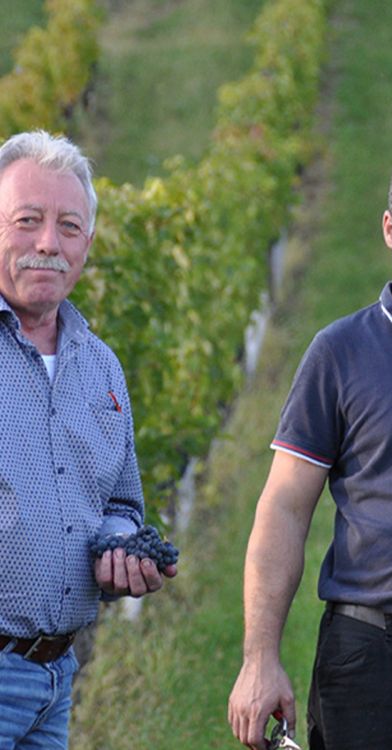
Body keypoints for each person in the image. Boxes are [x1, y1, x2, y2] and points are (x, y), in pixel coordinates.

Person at [228, 144, 392, 750]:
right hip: (376, 664)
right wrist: (259, 659)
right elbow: (284, 508)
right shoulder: (340, 352)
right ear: (388, 230)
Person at [0, 130, 176, 749]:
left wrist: (124, 548)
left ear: (88, 245)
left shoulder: (101, 368)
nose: (48, 243)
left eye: (68, 227)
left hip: (56, 678)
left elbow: (121, 505)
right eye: (27, 220)